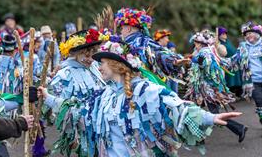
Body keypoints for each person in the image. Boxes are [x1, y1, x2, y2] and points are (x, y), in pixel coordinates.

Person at [91, 39, 242, 156]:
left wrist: (210, 118)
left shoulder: (145, 89)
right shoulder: (106, 94)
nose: (98, 68)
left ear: (116, 65)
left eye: (102, 63)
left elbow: (178, 107)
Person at [38, 29, 107, 156]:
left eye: (93, 54)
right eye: (86, 55)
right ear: (75, 54)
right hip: (84, 133)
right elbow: (54, 108)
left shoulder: (95, 68)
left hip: (103, 128)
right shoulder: (65, 74)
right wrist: (47, 97)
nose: (90, 59)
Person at [184, 30, 247, 143]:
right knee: (196, 110)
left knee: (214, 114)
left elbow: (208, 68)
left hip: (209, 90)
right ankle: (197, 135)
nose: (195, 45)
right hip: (203, 90)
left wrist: (195, 60)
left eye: (196, 43)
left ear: (200, 43)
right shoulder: (205, 51)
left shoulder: (205, 53)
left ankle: (239, 128)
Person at [115, 8, 189, 90]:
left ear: (128, 29)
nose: (120, 32)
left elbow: (158, 54)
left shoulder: (142, 42)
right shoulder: (124, 44)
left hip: (145, 90)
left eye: (122, 28)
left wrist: (172, 61)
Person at [228, 22, 262, 124]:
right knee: (260, 103)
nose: (247, 36)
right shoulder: (243, 47)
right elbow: (234, 60)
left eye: (249, 33)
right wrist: (218, 60)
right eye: (245, 35)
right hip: (253, 81)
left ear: (256, 33)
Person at [217, 26, 242, 97]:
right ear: (219, 35)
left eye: (225, 33)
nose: (225, 35)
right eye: (222, 34)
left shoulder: (228, 41)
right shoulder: (219, 44)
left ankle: (238, 91)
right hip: (226, 63)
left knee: (236, 77)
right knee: (229, 79)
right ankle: (230, 92)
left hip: (235, 62)